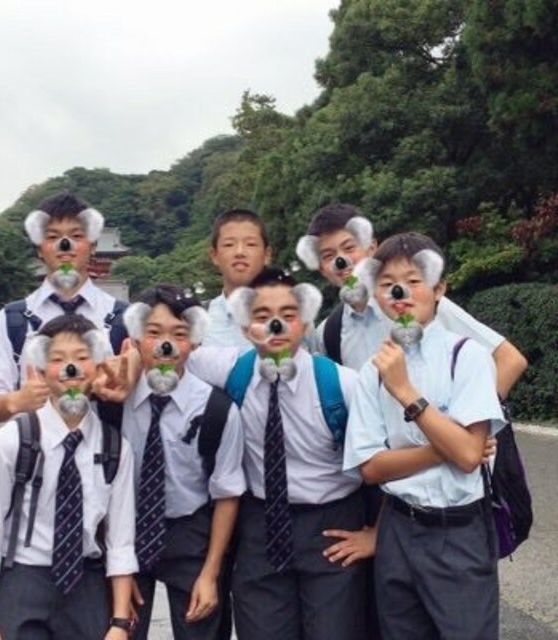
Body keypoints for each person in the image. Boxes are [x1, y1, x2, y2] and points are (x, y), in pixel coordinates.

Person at [187, 268, 369, 640]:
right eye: (261, 316)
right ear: (244, 328)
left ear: (306, 323)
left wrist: (378, 533)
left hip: (332, 525)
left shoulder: (343, 385)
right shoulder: (233, 370)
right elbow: (172, 355)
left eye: (288, 315)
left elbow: (389, 454)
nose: (275, 325)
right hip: (260, 525)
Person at [343, 232, 505, 640]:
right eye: (387, 283)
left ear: (439, 289)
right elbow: (370, 468)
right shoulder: (371, 373)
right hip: (397, 528)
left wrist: (405, 392)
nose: (399, 292)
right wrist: (448, 446)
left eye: (414, 281)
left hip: (458, 530)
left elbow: (468, 458)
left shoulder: (466, 356)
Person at [0, 314, 138, 640]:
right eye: (57, 360)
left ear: (99, 367)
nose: (71, 368)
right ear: (40, 370)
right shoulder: (11, 442)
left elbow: (121, 541)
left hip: (86, 583)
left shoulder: (115, 447)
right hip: (22, 578)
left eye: (82, 357)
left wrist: (119, 622)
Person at [296, 202, 528, 397]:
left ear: (372, 248)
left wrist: (475, 426)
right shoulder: (328, 334)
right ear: (321, 268)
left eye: (349, 248)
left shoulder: (416, 304)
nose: (341, 261)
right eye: (328, 255)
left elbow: (509, 360)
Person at [121, 284, 246, 640]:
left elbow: (226, 493)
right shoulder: (115, 401)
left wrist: (210, 573)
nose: (166, 345)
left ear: (194, 341)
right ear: (136, 338)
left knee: (200, 627)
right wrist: (116, 570)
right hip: (125, 531)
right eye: (154, 333)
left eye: (179, 334)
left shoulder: (217, 409)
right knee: (121, 628)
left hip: (192, 533)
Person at [0, 191, 132, 425]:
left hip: (106, 445)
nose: (65, 245)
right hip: (33, 445)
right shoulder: (10, 320)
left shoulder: (124, 318)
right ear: (39, 248)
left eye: (76, 235)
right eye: (52, 236)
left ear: (93, 245)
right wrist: (16, 401)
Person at [203, 208, 272, 349]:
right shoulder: (198, 320)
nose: (240, 252)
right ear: (214, 256)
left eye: (250, 244)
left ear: (267, 255)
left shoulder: (293, 318)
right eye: (229, 244)